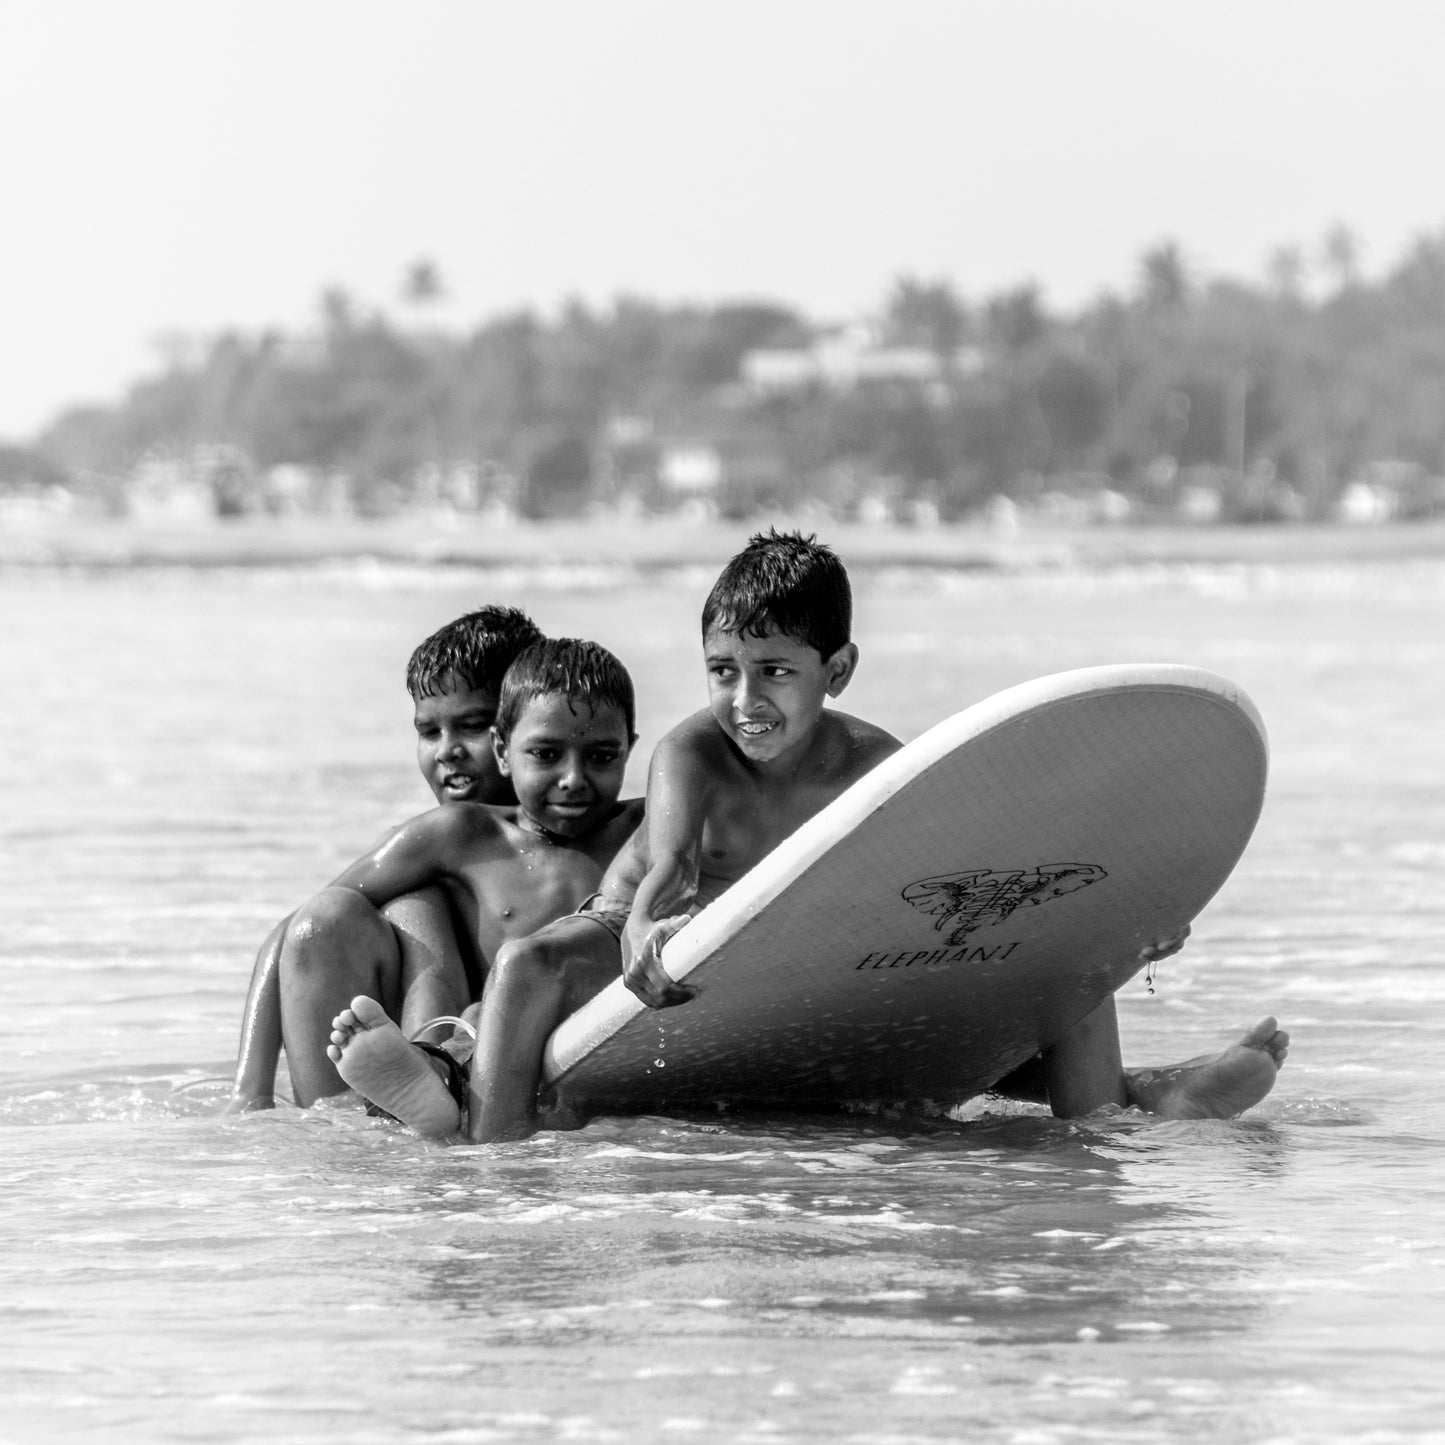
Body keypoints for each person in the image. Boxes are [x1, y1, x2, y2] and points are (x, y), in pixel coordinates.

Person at [335, 530, 1289, 1142]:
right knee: (525, 969)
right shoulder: (692, 753)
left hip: (801, 951)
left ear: (836, 669)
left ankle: (1114, 1120)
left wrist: (1118, 929)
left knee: (1066, 965)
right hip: (653, 933)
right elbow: (661, 869)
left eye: (773, 672)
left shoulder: (880, 761)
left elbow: (967, 887)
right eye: (721, 669)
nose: (743, 700)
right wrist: (641, 934)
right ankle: (485, 1144)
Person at [282, 635, 644, 1122]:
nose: (573, 778)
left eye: (601, 757)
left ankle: (431, 1080)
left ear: (631, 749)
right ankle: (419, 1087)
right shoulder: (464, 834)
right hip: (502, 1046)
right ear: (501, 748)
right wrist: (251, 1084)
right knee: (478, 1015)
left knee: (493, 1005)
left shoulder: (643, 829)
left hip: (603, 1028)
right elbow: (309, 918)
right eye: (545, 754)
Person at [225, 604, 544, 1111]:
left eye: (472, 725)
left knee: (414, 904)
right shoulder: (432, 840)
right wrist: (250, 1092)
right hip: (426, 1067)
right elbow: (291, 932)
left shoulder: (571, 831)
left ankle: (427, 1075)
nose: (447, 751)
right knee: (370, 909)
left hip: (507, 1051)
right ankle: (341, 1125)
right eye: (429, 731)